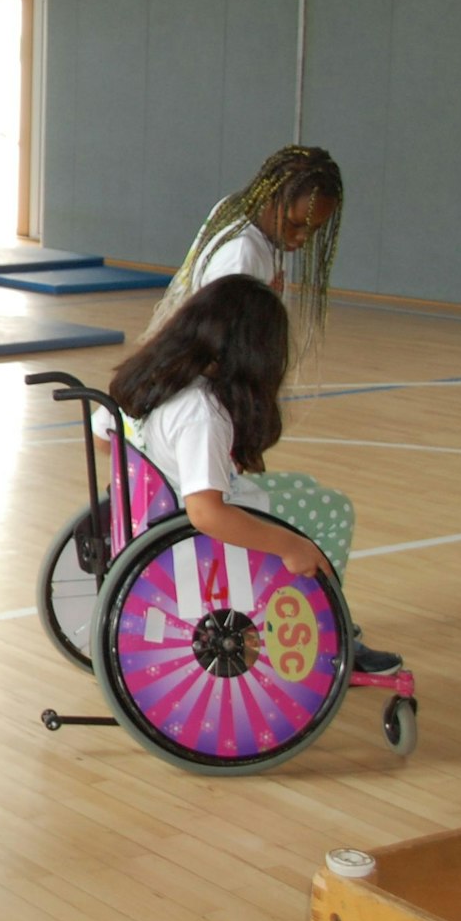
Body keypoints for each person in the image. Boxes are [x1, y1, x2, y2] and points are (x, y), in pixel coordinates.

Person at [106, 274, 402, 674]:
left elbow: (104, 440)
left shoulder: (152, 378)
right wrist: (289, 545)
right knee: (331, 510)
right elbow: (207, 514)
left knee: (305, 488)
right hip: (192, 535)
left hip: (154, 516)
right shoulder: (201, 412)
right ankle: (324, 629)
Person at [147, 145, 344, 351]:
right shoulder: (240, 254)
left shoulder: (240, 210)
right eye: (295, 224)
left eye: (315, 228)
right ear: (268, 199)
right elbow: (217, 343)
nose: (303, 237)